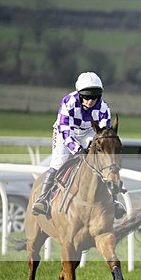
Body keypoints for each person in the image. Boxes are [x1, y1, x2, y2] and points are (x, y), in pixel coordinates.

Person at [32, 72, 126, 218]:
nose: (90, 101)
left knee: (101, 164)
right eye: (87, 97)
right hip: (67, 132)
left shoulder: (103, 108)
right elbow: (65, 130)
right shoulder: (68, 102)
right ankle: (43, 199)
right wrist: (77, 150)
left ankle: (113, 201)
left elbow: (103, 134)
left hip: (89, 133)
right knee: (59, 162)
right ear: (80, 94)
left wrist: (94, 148)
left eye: (94, 97)